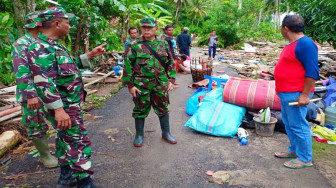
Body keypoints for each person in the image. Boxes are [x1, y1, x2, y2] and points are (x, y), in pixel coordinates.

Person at [27, 7, 106, 187]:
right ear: (56, 23)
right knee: (78, 141)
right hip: (63, 107)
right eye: (67, 22)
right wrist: (59, 110)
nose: (69, 26)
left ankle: (66, 177)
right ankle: (85, 182)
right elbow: (44, 82)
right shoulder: (41, 48)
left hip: (68, 105)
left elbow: (68, 66)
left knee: (64, 140)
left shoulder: (54, 44)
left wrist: (91, 55)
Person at [11, 12, 58, 169]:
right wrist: (30, 95)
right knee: (36, 124)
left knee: (57, 119)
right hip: (32, 93)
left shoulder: (43, 42)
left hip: (48, 91)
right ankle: (45, 155)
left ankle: (62, 149)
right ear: (38, 25)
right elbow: (21, 71)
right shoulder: (21, 44)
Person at [122, 18, 177, 147]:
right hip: (141, 85)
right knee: (140, 109)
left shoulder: (163, 43)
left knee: (163, 108)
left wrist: (171, 80)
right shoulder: (134, 44)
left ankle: (166, 133)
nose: (146, 29)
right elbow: (128, 65)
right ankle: (139, 135)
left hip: (160, 83)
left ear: (156, 29)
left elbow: (170, 62)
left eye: (150, 27)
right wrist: (130, 85)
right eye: (144, 27)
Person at [274, 15, 319, 169]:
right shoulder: (292, 44)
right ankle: (294, 150)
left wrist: (305, 94)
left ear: (285, 28)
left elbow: (312, 72)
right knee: (289, 123)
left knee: (298, 124)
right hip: (287, 93)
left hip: (297, 93)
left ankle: (305, 158)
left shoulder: (305, 43)